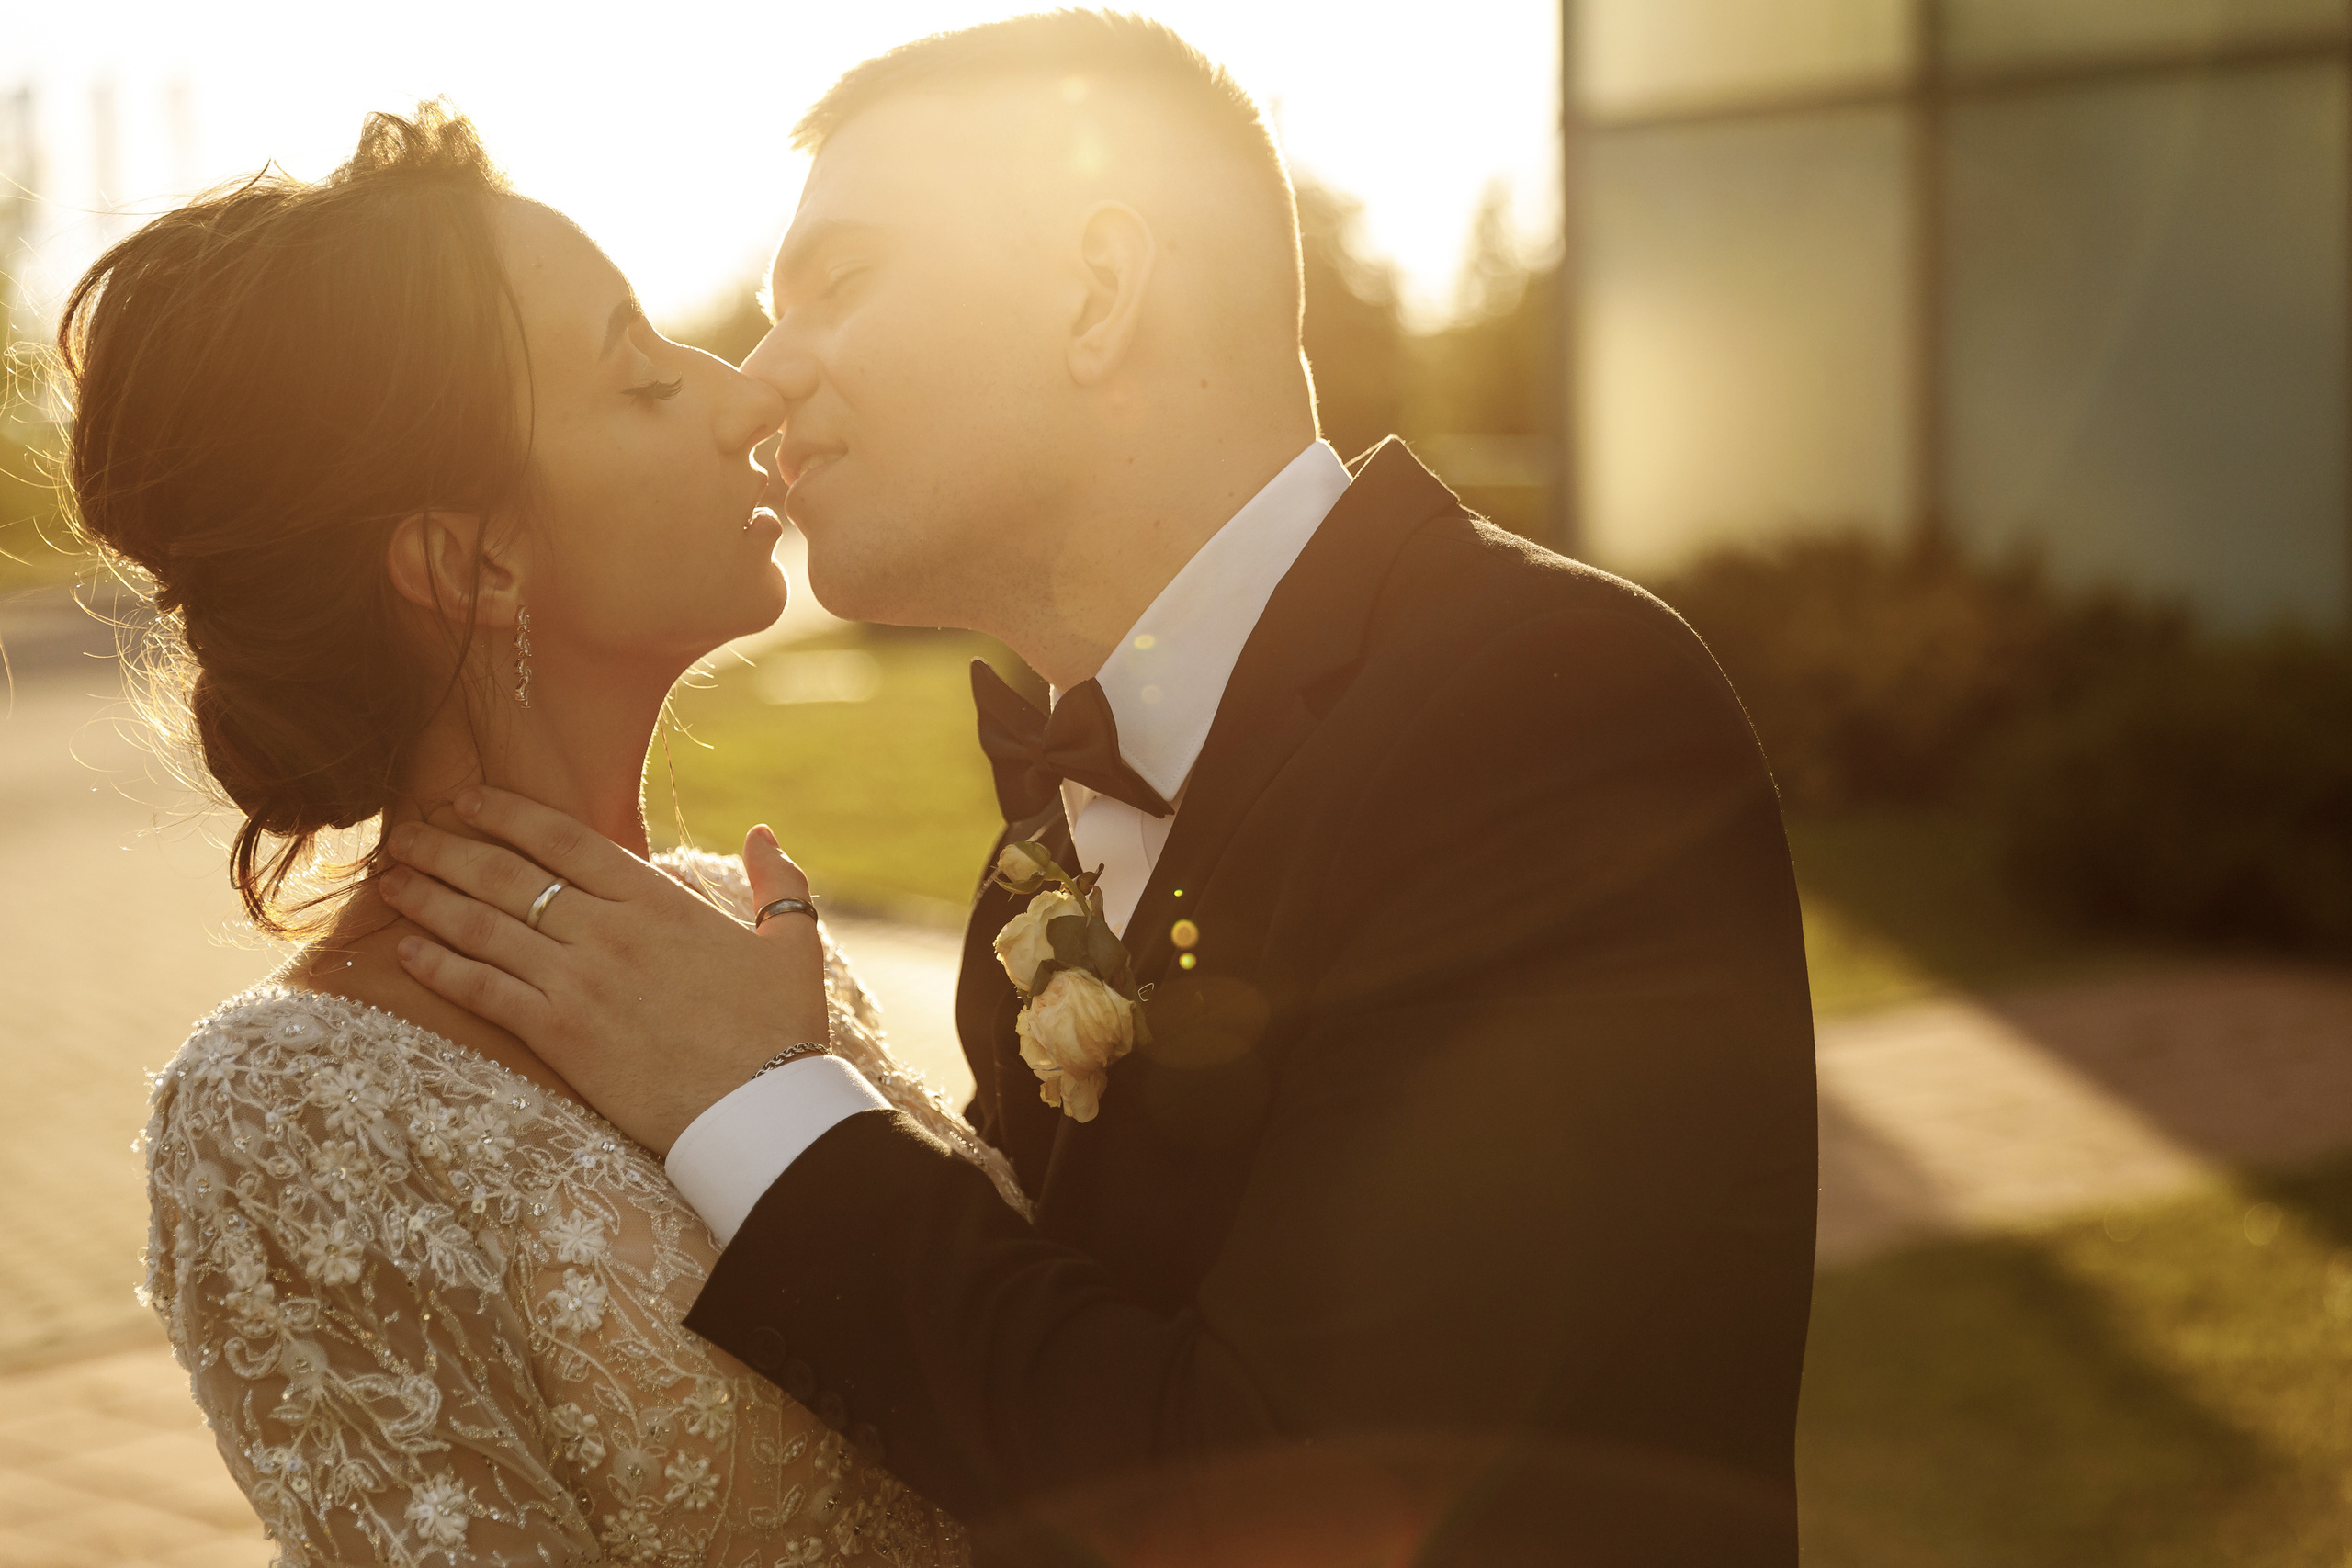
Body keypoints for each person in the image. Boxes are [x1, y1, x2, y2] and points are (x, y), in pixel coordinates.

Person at [380, 13, 1821, 1566]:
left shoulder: (1547, 708)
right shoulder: (1054, 828)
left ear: (1095, 292)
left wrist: (758, 1108)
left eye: (840, 286)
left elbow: (1287, 1504)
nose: (764, 376)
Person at [82, 105, 1010, 1564]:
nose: (743, 401)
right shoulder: (285, 1115)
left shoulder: (740, 941)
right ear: (472, 562)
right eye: (642, 381)